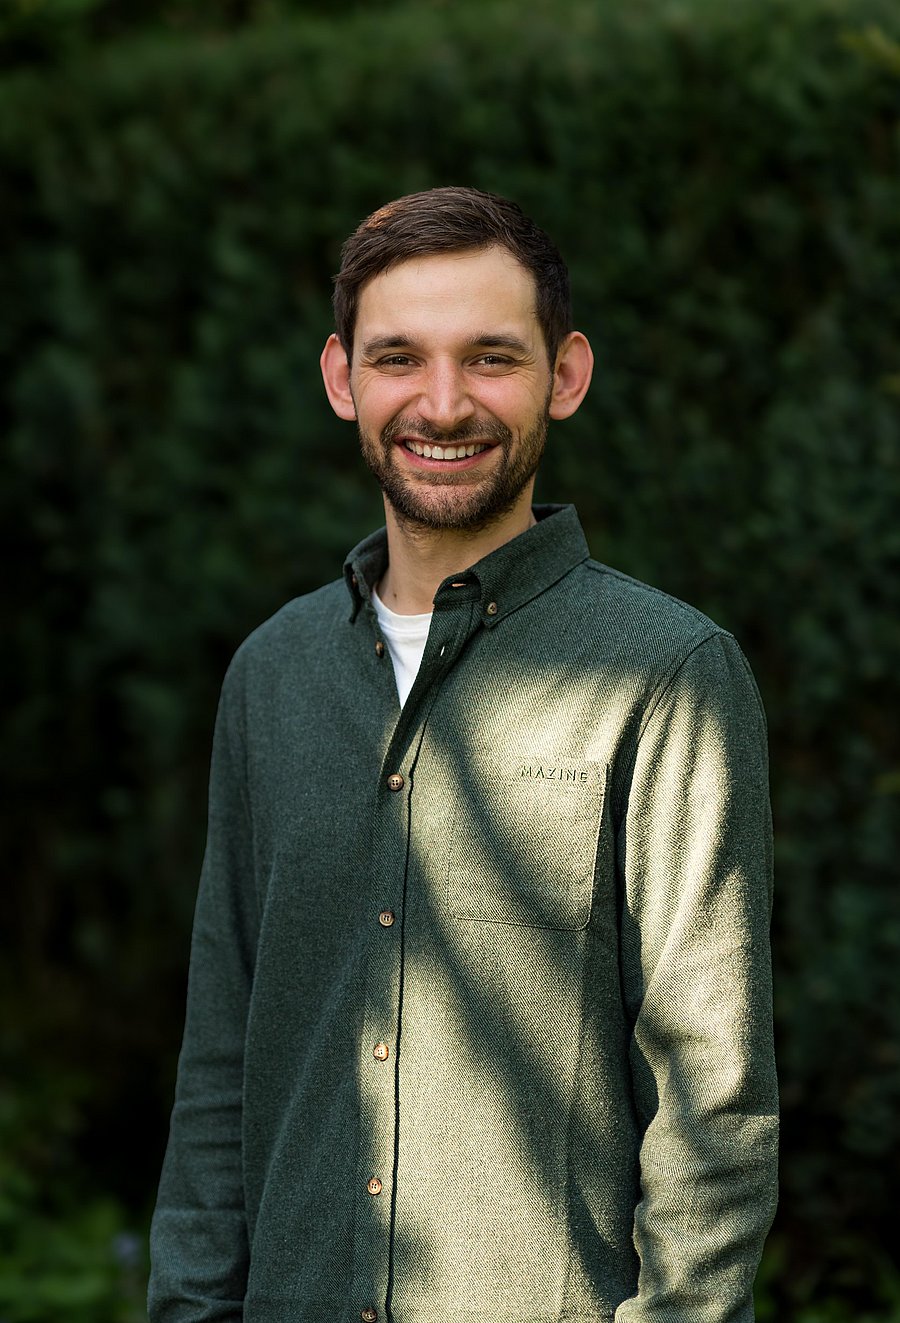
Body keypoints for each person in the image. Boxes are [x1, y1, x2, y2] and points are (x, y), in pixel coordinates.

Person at [148, 186, 778, 1323]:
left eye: (491, 357)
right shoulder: (271, 676)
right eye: (400, 358)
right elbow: (220, 1066)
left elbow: (715, 1110)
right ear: (343, 379)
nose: (443, 404)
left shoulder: (667, 673)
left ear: (565, 375)